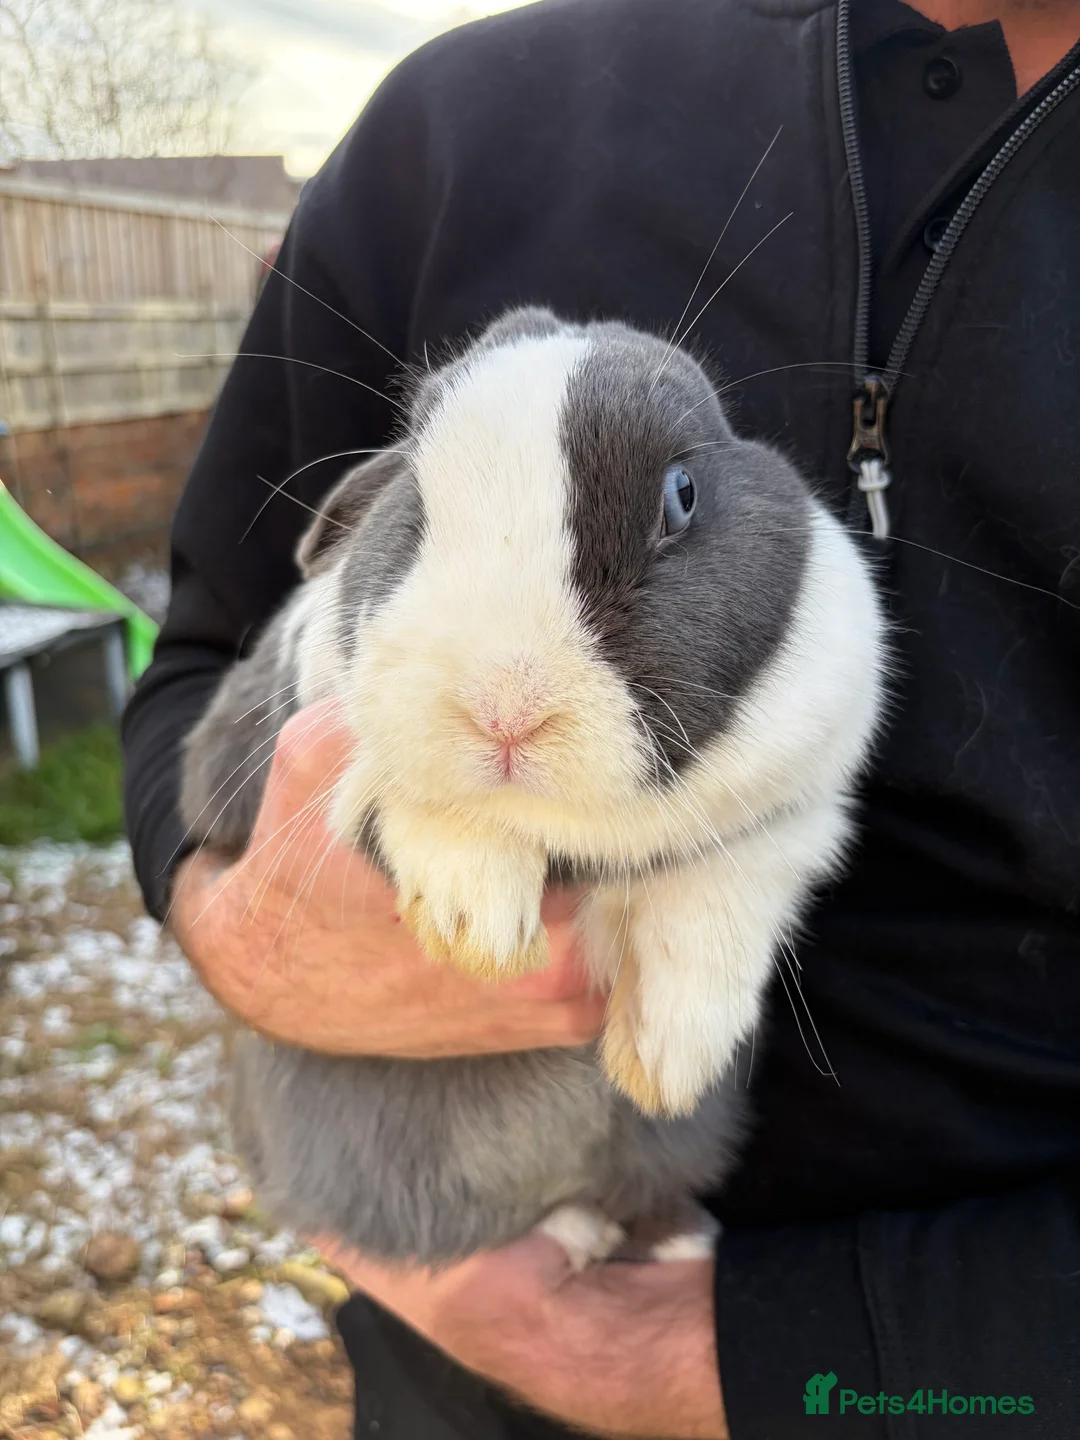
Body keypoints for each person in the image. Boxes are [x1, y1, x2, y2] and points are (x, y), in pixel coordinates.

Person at [122, 0, 1080, 1433]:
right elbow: (198, 674)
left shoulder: (804, 618)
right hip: (455, 1350)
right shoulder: (452, 126)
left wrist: (749, 1365)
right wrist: (247, 924)